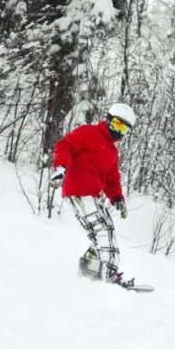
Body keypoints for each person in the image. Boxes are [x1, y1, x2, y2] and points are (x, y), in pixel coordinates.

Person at [50, 103, 136, 288]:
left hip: (92, 196)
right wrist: (61, 168)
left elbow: (112, 178)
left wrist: (117, 198)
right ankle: (110, 275)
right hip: (79, 191)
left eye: (124, 128)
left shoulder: (112, 152)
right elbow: (64, 145)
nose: (118, 131)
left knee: (102, 233)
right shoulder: (88, 133)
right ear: (108, 119)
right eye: (116, 124)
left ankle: (89, 268)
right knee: (105, 231)